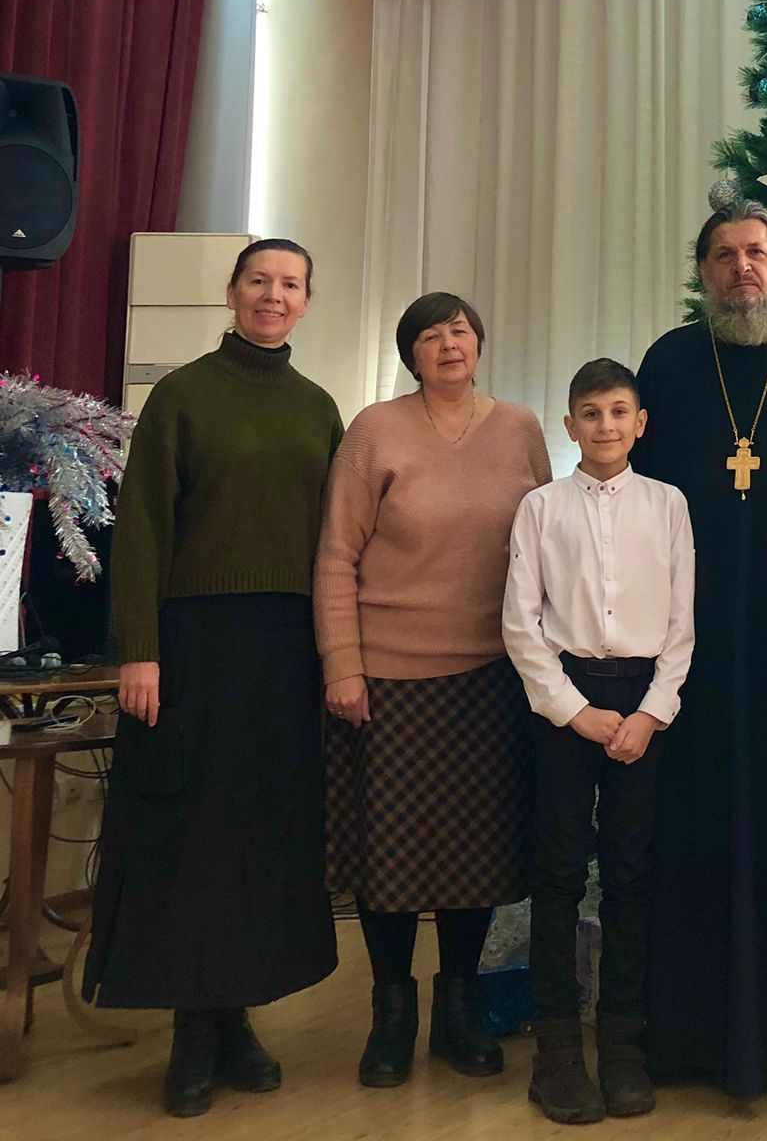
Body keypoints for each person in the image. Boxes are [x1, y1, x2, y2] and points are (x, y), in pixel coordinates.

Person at [85, 240, 342, 1119]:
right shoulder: (182, 396)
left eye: (290, 284)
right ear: (232, 293)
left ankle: (236, 1017)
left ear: (306, 302)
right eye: (259, 281)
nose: (274, 295)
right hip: (193, 648)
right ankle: (192, 1033)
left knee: (260, 834)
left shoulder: (318, 408)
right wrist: (140, 648)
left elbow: (337, 541)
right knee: (188, 835)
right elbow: (142, 529)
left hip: (287, 650)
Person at [313, 292, 551, 1089]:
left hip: (492, 676)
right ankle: (392, 1017)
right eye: (430, 336)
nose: (449, 344)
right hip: (387, 675)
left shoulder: (518, 428)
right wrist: (342, 663)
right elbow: (336, 555)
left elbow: (548, 542)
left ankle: (459, 1012)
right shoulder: (375, 430)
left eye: (460, 331)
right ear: (410, 354)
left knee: (473, 858)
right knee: (389, 859)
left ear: (479, 344)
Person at [631, 201, 767, 1095]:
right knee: (696, 825)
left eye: (757, 252)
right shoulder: (672, 361)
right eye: (723, 255)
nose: (741, 268)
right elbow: (635, 499)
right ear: (703, 273)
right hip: (696, 635)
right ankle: (688, 1031)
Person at [503, 358, 695, 1124]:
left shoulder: (668, 505)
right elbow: (522, 624)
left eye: (619, 412)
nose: (606, 425)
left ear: (640, 424)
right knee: (556, 873)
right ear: (570, 424)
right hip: (564, 705)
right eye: (591, 413)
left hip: (642, 704)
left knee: (630, 873)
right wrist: (574, 710)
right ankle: (556, 1052)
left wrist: (651, 712)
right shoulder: (540, 508)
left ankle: (622, 1046)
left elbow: (681, 624)